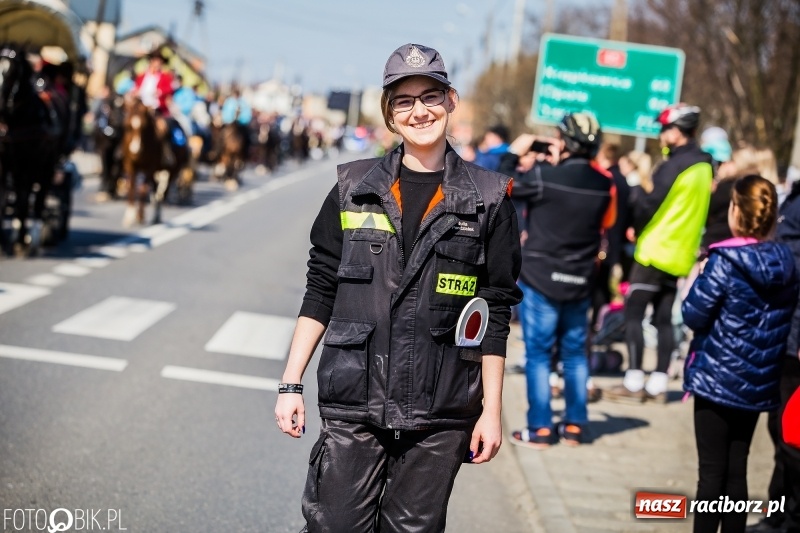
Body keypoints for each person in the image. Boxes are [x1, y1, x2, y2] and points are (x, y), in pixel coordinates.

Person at [274, 43, 522, 532]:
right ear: (390, 114)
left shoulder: (490, 199)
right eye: (404, 101)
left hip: (440, 411)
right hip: (355, 400)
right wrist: (290, 382)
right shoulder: (353, 188)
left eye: (430, 96)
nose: (419, 111)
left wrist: (491, 411)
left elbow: (494, 311)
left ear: (451, 100)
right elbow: (321, 286)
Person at [682, 175, 798, 533]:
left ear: (736, 210)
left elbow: (694, 314)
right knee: (737, 470)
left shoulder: (724, 261)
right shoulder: (787, 262)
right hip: (758, 381)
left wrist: (700, 277)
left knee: (711, 474)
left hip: (717, 378)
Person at [500, 112, 616, 448]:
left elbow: (500, 185)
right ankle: (575, 426)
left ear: (563, 141)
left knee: (538, 354)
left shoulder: (544, 177)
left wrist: (513, 153)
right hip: (580, 279)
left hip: (542, 278)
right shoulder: (603, 183)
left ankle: (541, 428)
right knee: (575, 354)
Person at [604, 103, 713, 404]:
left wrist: (634, 227)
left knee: (634, 312)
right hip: (681, 253)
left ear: (677, 132)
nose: (661, 135)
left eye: (664, 129)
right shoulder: (705, 165)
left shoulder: (675, 164)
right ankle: (659, 383)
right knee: (664, 318)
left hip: (655, 249)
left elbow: (650, 203)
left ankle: (635, 379)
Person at [749, 179, 800, 533]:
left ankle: (790, 518)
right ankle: (779, 512)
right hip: (782, 329)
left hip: (795, 334)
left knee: (791, 433)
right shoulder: (795, 194)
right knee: (780, 427)